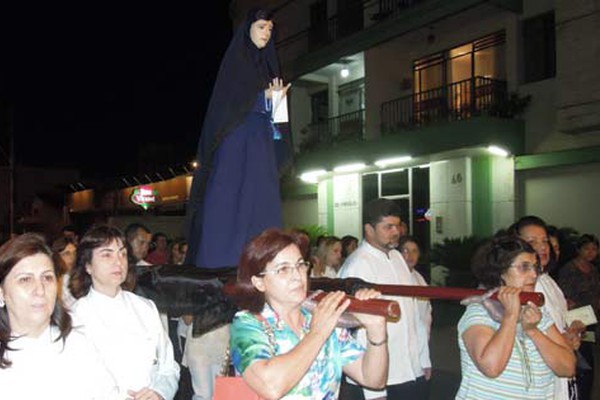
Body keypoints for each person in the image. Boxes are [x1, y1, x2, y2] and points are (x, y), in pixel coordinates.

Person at [184, 8, 291, 269]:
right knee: (229, 201)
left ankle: (263, 263)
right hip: (235, 144)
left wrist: (277, 101)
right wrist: (261, 98)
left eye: (269, 29)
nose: (266, 33)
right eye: (261, 27)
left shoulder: (269, 67)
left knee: (261, 203)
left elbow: (277, 118)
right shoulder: (235, 65)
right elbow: (226, 107)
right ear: (248, 30)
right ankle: (220, 263)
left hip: (262, 145)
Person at [229, 228, 389, 398]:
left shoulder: (321, 314)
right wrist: (318, 333)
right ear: (259, 282)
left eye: (300, 265)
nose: (297, 276)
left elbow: (373, 380)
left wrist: (376, 329)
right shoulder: (248, 324)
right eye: (283, 269)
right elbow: (271, 387)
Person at [456, 235, 576, 399]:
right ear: (500, 272)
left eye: (536, 267)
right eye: (524, 267)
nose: (534, 275)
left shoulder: (537, 312)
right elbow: (491, 367)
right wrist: (510, 317)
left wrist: (533, 332)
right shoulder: (479, 312)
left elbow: (568, 367)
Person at [0, 233, 118, 399]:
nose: (40, 290)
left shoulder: (78, 345)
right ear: (1, 292)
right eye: (25, 279)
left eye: (47, 278)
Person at [70, 225, 180, 400]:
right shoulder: (74, 318)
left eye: (122, 254)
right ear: (88, 266)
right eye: (107, 255)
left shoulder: (145, 308)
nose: (118, 262)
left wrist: (159, 392)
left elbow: (168, 366)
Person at [338, 198, 430, 400]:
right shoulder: (357, 265)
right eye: (388, 227)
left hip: (409, 371)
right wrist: (373, 391)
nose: (396, 232)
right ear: (369, 229)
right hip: (380, 380)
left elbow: (413, 314)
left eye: (397, 226)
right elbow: (353, 331)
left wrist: (423, 359)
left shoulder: (397, 257)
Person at [508, 216, 584, 399]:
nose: (542, 247)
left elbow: (557, 323)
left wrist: (571, 334)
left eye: (545, 241)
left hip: (560, 365)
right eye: (532, 241)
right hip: (539, 377)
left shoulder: (548, 281)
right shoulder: (522, 286)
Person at [558, 233, 600, 400]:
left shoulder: (594, 270)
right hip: (575, 319)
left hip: (591, 319)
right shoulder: (569, 269)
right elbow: (564, 294)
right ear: (578, 250)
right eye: (587, 248)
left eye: (594, 249)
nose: (591, 252)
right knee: (581, 356)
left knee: (589, 354)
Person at [398, 235, 433, 384]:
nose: (410, 255)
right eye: (405, 250)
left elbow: (424, 320)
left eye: (414, 251)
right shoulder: (394, 278)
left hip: (418, 352)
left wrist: (425, 359)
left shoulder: (419, 279)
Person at [50, 235, 78, 308]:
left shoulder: (80, 275)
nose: (72, 258)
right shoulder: (52, 280)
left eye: (74, 253)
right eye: (67, 254)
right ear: (57, 256)